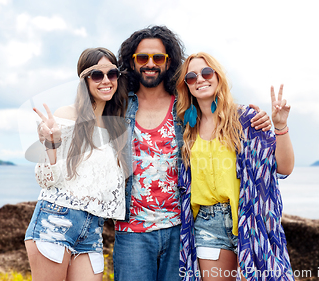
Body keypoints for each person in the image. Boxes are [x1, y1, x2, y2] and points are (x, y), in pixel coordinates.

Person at [113, 26, 273, 281]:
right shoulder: (119, 107)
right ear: (131, 63)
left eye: (158, 58)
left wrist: (259, 119)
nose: (150, 64)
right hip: (132, 232)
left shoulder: (184, 108)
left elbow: (220, 116)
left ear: (170, 62)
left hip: (180, 229)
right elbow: (88, 114)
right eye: (142, 58)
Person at [176, 52, 295, 281]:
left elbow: (284, 167)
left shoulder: (246, 120)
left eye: (206, 72)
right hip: (207, 226)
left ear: (218, 77)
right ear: (187, 86)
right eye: (191, 77)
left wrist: (280, 126)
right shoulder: (185, 129)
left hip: (250, 220)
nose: (200, 79)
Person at [24, 47, 129, 281]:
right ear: (84, 79)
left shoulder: (116, 127)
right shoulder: (68, 115)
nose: (105, 80)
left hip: (92, 230)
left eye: (111, 74)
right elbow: (45, 179)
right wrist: (51, 144)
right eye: (96, 75)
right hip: (55, 219)